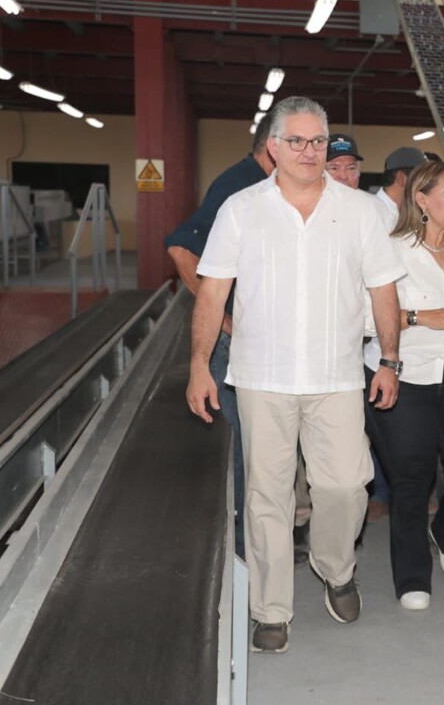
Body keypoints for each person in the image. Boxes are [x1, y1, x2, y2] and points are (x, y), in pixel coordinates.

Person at [186, 96, 405, 654]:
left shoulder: (359, 211)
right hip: (262, 376)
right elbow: (211, 291)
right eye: (298, 141)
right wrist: (198, 367)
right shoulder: (241, 208)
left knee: (345, 485)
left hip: (336, 376)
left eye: (318, 141)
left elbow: (384, 289)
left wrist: (389, 359)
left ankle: (336, 569)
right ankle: (271, 608)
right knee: (267, 496)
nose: (310, 151)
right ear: (274, 148)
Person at [363, 160, 444, 611]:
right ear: (422, 199)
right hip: (402, 370)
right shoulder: (391, 248)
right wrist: (419, 317)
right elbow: (369, 316)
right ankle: (412, 574)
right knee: (411, 475)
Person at [165, 112, 275, 558]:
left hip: (266, 345)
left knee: (263, 450)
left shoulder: (270, 188)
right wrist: (224, 319)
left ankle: (259, 544)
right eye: (299, 145)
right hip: (237, 349)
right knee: (248, 452)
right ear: (274, 147)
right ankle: (245, 552)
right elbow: (180, 246)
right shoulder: (240, 185)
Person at [325, 133, 393, 526]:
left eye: (351, 168)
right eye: (335, 168)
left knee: (372, 421)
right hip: (328, 344)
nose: (345, 176)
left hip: (366, 340)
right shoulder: (306, 215)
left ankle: (379, 491)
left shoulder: (374, 211)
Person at [377, 147, 428, 227]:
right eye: (423, 178)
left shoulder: (411, 213)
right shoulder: (372, 212)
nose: (427, 184)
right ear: (401, 178)